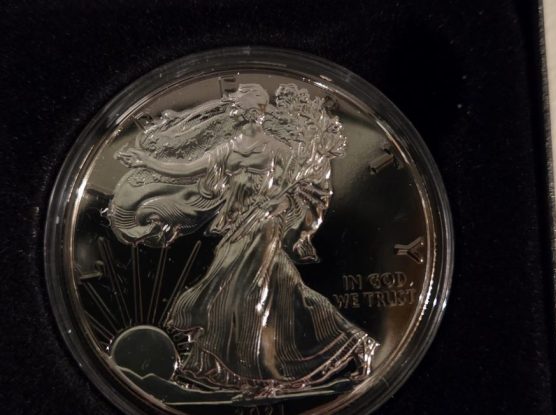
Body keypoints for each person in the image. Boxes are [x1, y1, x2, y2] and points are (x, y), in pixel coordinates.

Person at [111, 83, 377, 397]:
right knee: (284, 291)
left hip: (263, 225)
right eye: (236, 108)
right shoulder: (230, 147)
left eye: (239, 108)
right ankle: (355, 342)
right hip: (239, 225)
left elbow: (302, 186)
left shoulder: (277, 148)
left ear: (253, 112)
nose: (234, 112)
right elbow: (186, 169)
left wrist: (280, 203)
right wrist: (146, 160)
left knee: (248, 294)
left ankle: (262, 378)